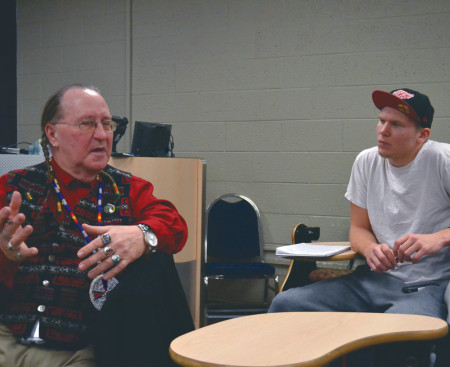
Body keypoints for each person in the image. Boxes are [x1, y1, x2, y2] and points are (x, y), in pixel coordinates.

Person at [0, 84, 193, 367]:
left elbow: (174, 225)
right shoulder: (13, 187)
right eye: (87, 124)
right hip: (7, 334)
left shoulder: (128, 189)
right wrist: (5, 256)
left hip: (83, 347)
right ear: (52, 134)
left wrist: (142, 234)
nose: (102, 135)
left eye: (107, 124)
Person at [269, 88, 450, 366]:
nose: (383, 131)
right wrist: (371, 249)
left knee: (396, 336)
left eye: (396, 125)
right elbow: (358, 229)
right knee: (286, 305)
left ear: (422, 135)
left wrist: (438, 238)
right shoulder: (366, 161)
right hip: (373, 281)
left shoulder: (443, 160)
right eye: (381, 121)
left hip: (425, 285)